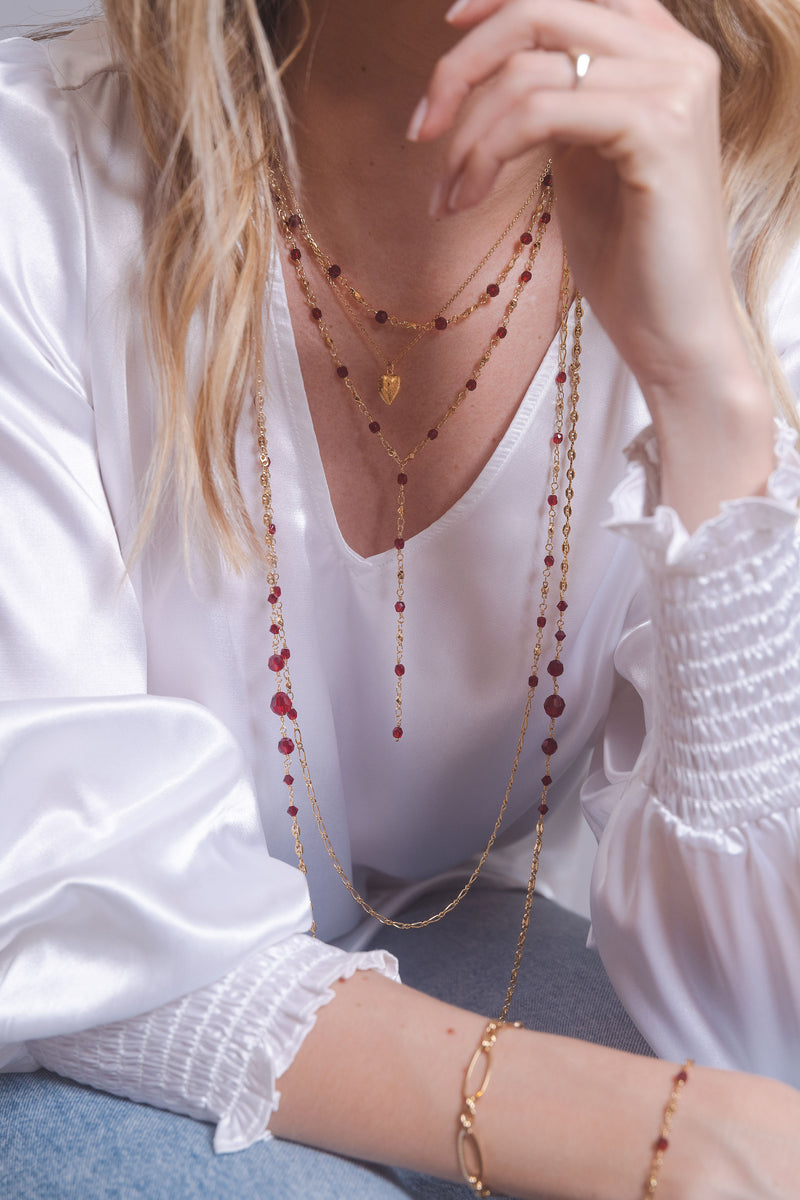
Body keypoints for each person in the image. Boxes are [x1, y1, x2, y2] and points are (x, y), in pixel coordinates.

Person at [1, 0, 800, 1196]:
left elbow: (758, 1027)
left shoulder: (739, 209)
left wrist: (706, 394)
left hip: (451, 939)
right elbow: (41, 910)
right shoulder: (40, 182)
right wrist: (655, 1136)